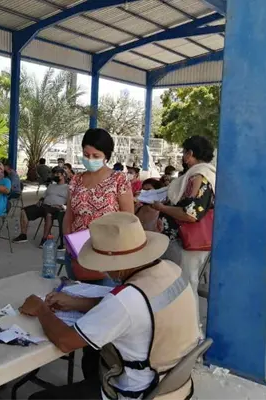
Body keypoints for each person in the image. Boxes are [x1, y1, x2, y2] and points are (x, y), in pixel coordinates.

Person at [20, 212, 199, 400]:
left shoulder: (126, 300)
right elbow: (136, 310)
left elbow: (65, 341)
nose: (103, 270)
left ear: (120, 265)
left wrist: (41, 309)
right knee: (92, 352)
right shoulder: (171, 270)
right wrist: (77, 303)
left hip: (136, 393)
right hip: (173, 385)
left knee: (37, 399)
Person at [152, 135, 215, 333]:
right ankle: (186, 331)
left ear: (190, 154)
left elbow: (190, 213)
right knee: (183, 285)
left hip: (188, 243)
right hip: (184, 243)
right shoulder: (201, 175)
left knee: (186, 287)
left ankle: (192, 333)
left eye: (184, 152)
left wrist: (162, 208)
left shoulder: (199, 177)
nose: (183, 156)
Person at [64, 128, 134, 282]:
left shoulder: (119, 180)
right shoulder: (76, 180)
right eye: (86, 155)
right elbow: (69, 215)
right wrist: (69, 246)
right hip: (77, 253)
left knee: (104, 295)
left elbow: (128, 220)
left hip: (107, 257)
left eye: (96, 156)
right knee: (75, 294)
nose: (90, 159)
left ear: (106, 156)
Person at [13, 169, 68, 246]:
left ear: (63, 175)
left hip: (56, 209)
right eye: (54, 174)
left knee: (48, 214)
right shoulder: (51, 186)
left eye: (57, 174)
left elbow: (69, 201)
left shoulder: (67, 188)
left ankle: (44, 239)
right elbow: (44, 196)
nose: (54, 176)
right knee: (24, 211)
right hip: (44, 206)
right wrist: (40, 200)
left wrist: (62, 206)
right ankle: (23, 235)